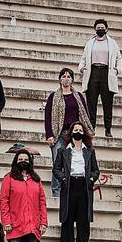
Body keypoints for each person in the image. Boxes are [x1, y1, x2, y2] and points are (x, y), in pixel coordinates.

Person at [54, 121, 101, 242]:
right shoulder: (63, 151)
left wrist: (91, 179)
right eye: (76, 129)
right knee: (67, 219)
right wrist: (63, 179)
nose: (78, 132)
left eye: (81, 130)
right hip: (69, 185)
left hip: (84, 186)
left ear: (84, 133)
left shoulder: (90, 151)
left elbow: (95, 170)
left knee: (83, 221)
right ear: (71, 132)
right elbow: (56, 169)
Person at [44, 68, 93, 196]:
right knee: (58, 164)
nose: (66, 78)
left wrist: (86, 131)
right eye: (64, 76)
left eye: (68, 76)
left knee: (72, 163)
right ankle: (57, 192)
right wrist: (49, 135)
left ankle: (70, 192)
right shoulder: (53, 97)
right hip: (58, 134)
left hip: (74, 135)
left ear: (72, 80)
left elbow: (85, 115)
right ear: (60, 79)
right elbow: (48, 117)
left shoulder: (79, 97)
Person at [0, 148, 48, 242]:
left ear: (30, 162)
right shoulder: (9, 178)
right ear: (15, 161)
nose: (23, 161)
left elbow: (42, 202)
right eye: (20, 159)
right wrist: (6, 221)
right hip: (15, 222)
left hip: (32, 223)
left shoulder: (36, 179)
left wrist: (43, 222)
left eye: (26, 159)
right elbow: (4, 201)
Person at [78, 19, 122, 138]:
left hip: (107, 73)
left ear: (106, 29)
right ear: (95, 29)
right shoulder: (90, 43)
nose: (100, 29)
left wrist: (117, 70)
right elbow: (84, 57)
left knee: (107, 103)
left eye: (102, 27)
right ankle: (91, 129)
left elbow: (119, 58)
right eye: (98, 28)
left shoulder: (112, 43)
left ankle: (108, 130)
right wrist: (82, 68)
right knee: (91, 103)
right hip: (93, 72)